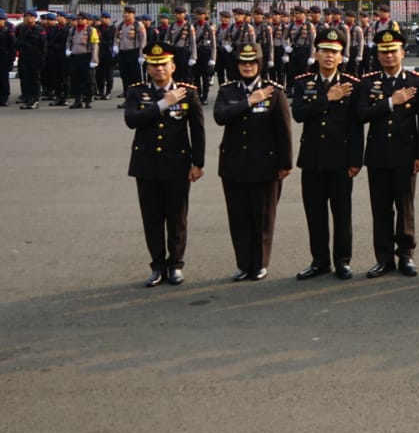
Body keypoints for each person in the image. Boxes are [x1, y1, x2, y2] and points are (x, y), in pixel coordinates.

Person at [124, 41, 205, 287]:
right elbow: (132, 120)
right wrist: (162, 104)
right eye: (154, 65)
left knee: (177, 217)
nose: (159, 70)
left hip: (177, 164)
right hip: (146, 164)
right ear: (147, 68)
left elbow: (198, 131)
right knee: (152, 218)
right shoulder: (137, 92)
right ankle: (157, 265)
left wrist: (198, 163)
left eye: (163, 65)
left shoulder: (188, 92)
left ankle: (176, 265)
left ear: (172, 66)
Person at [212, 42, 293, 281]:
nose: (247, 67)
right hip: (234, 164)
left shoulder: (274, 91)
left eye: (252, 62)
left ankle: (259, 263)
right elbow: (220, 117)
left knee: (263, 216)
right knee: (238, 217)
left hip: (265, 164)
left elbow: (284, 130)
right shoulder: (228, 91)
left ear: (259, 64)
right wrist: (249, 101)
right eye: (243, 63)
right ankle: (243, 264)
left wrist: (285, 163)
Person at [356, 27, 419, 278]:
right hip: (377, 154)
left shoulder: (416, 81)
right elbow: (361, 114)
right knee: (381, 208)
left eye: (393, 51)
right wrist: (390, 102)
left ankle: (406, 255)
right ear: (378, 55)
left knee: (404, 206)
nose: (389, 56)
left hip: (405, 154)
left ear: (402, 53)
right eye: (384, 52)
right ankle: (384, 258)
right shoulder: (368, 82)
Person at [290, 28, 363, 280]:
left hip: (340, 160)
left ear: (342, 57)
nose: (329, 56)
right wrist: (327, 98)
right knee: (315, 213)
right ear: (316, 54)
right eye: (325, 51)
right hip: (311, 159)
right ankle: (319, 261)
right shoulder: (303, 83)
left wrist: (356, 160)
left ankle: (342, 260)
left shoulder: (352, 85)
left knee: (342, 214)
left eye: (335, 52)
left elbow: (356, 126)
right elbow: (298, 113)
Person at [66, 12, 99, 109]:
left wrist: (94, 59)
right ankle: (77, 100)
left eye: (82, 19)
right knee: (75, 79)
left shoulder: (91, 30)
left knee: (88, 79)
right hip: (75, 57)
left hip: (86, 56)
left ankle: (88, 100)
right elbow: (68, 41)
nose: (80, 20)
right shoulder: (72, 30)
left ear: (86, 20)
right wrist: (67, 50)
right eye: (78, 18)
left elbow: (94, 45)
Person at [15, 10, 45, 109]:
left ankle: (35, 99)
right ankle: (28, 99)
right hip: (24, 57)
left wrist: (42, 59)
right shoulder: (21, 28)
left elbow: (43, 46)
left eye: (30, 16)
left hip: (35, 57)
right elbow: (17, 42)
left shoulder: (39, 29)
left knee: (35, 79)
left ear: (34, 18)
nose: (28, 18)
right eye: (26, 16)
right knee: (25, 78)